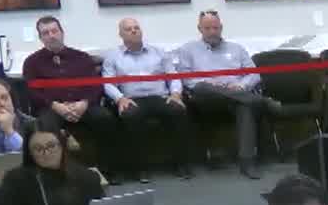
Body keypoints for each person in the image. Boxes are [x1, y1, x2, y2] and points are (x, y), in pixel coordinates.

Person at [176, 10, 275, 179]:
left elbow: (254, 74)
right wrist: (210, 83)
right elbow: (186, 79)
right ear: (200, 29)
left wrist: (241, 85)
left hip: (235, 97)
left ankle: (247, 162)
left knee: (245, 106)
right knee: (202, 87)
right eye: (207, 28)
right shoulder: (188, 49)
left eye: (215, 28)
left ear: (221, 27)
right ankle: (262, 101)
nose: (212, 32)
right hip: (205, 100)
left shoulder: (237, 49)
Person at [102, 17, 194, 182]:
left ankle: (181, 164)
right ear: (120, 34)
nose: (134, 31)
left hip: (160, 96)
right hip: (132, 99)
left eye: (136, 27)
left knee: (178, 110)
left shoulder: (159, 52)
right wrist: (120, 99)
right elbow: (108, 83)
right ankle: (141, 168)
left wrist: (175, 94)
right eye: (128, 29)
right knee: (131, 115)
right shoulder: (113, 57)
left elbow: (173, 76)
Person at [21, 16, 115, 162]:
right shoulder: (32, 63)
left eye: (54, 31)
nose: (51, 36)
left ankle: (108, 166)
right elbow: (32, 92)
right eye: (46, 33)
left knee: (105, 118)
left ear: (62, 33)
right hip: (51, 108)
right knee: (45, 126)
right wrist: (56, 106)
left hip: (83, 105)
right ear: (40, 38)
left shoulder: (82, 57)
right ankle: (57, 169)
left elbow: (96, 86)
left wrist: (84, 103)